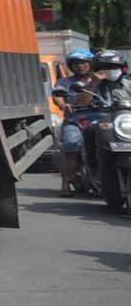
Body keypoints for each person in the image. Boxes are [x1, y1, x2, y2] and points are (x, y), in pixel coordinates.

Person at [53, 48, 101, 197]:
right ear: (70, 66)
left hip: (99, 119)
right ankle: (65, 184)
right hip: (75, 120)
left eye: (83, 62)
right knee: (71, 149)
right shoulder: (64, 82)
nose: (80, 66)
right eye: (76, 63)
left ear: (91, 64)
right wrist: (62, 105)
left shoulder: (100, 79)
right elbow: (57, 96)